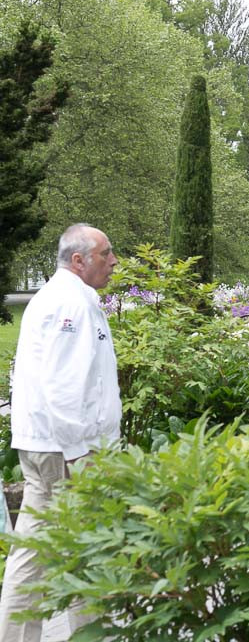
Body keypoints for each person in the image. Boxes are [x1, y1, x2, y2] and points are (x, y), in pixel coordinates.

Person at [0, 224, 120, 641]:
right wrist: (79, 454)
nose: (114, 261)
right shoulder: (70, 302)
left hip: (51, 446)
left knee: (39, 553)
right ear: (79, 260)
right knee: (79, 552)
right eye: (106, 253)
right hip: (64, 451)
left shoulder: (63, 297)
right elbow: (63, 386)